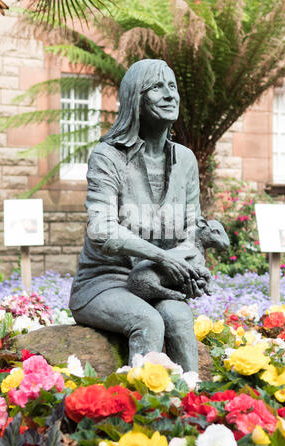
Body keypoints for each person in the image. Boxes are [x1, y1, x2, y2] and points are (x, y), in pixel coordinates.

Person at [69, 59, 210, 372]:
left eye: (172, 86)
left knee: (179, 318)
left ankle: (192, 407)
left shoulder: (185, 160)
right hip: (104, 283)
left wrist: (193, 267)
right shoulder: (109, 156)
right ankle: (141, 415)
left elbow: (192, 232)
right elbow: (102, 229)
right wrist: (162, 256)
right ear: (135, 98)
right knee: (147, 321)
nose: (169, 95)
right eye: (157, 88)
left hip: (154, 282)